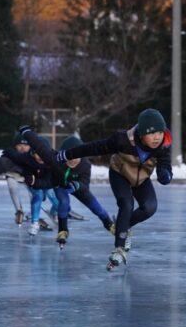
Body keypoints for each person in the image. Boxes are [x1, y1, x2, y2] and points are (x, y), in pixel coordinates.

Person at [55, 108, 172, 269]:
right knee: (126, 204)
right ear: (141, 133)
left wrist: (165, 174)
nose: (157, 137)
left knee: (150, 208)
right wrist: (68, 154)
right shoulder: (123, 140)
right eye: (152, 133)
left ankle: (124, 225)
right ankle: (119, 248)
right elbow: (94, 147)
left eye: (160, 132)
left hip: (141, 178)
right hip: (120, 174)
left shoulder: (163, 145)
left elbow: (165, 165)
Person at [20, 129, 115, 247]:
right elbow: (39, 147)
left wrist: (77, 185)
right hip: (61, 186)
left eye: (77, 157)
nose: (72, 160)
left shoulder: (85, 165)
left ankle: (108, 223)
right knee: (64, 202)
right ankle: (63, 230)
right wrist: (35, 182)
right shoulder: (56, 160)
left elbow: (85, 184)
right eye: (69, 156)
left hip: (78, 187)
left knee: (97, 208)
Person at [0, 132, 60, 235]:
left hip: (31, 178)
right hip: (16, 175)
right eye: (19, 145)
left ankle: (36, 214)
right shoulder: (10, 159)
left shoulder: (38, 158)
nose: (22, 148)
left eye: (25, 145)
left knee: (40, 193)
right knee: (12, 184)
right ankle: (19, 211)